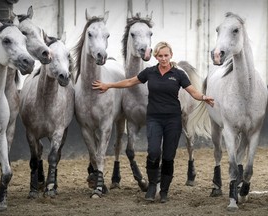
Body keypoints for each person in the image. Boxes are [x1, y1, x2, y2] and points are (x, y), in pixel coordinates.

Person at [92, 41, 214, 203]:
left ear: (171, 55)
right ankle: (151, 186)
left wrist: (204, 97)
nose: (163, 59)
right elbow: (129, 82)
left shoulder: (178, 74)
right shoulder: (149, 72)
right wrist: (108, 85)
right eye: (160, 56)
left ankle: (164, 190)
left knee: (169, 156)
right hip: (155, 119)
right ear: (156, 56)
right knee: (154, 152)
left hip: (173, 120)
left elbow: (192, 91)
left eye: (166, 55)